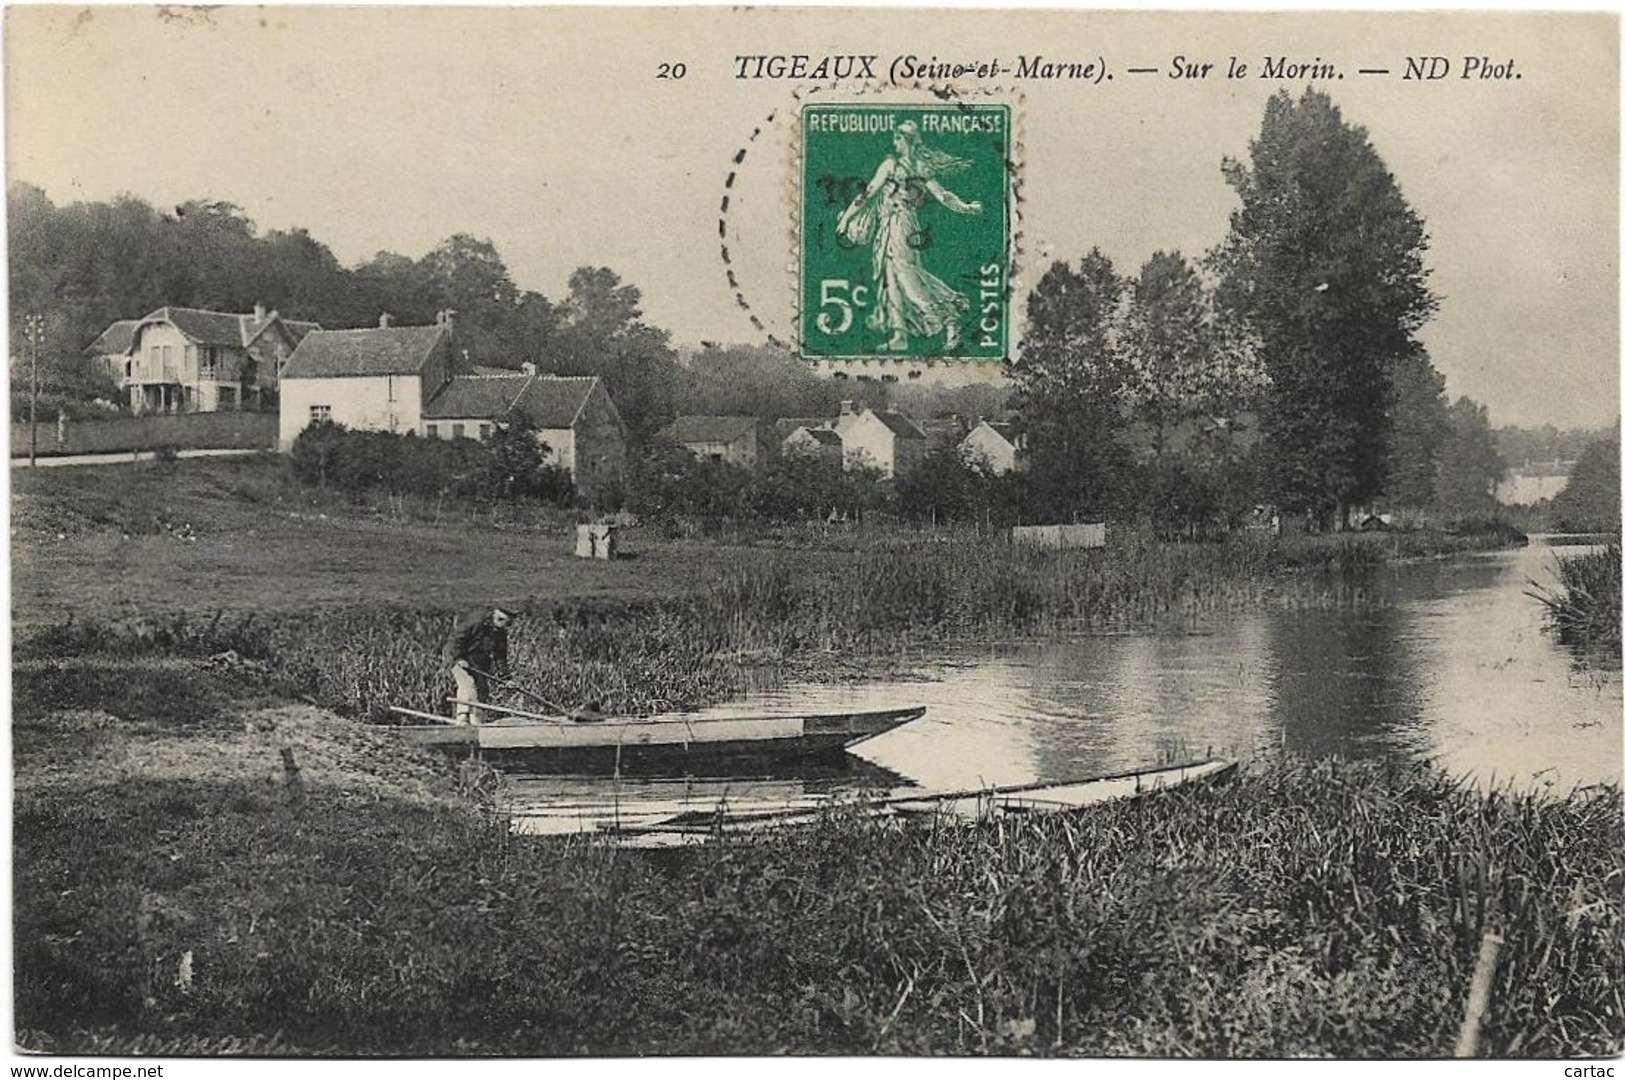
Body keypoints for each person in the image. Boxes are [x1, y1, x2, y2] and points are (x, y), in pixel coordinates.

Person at [836, 120, 983, 354]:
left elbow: (868, 193)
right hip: (898, 226)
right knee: (891, 278)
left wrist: (845, 220)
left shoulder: (891, 165)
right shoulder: (919, 166)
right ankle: (899, 336)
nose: (894, 142)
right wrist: (965, 207)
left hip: (898, 226)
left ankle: (948, 317)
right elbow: (943, 196)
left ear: (907, 141)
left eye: (898, 138)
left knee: (906, 277)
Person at [441, 605, 513, 725]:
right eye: (503, 621)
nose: (504, 626)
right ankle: (462, 720)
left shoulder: (500, 633)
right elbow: (455, 641)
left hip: (479, 662)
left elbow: (500, 657)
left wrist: (506, 678)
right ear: (495, 616)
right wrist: (459, 659)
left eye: (508, 623)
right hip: (458, 658)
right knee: (468, 685)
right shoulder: (475, 622)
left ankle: (476, 722)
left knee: (482, 691)